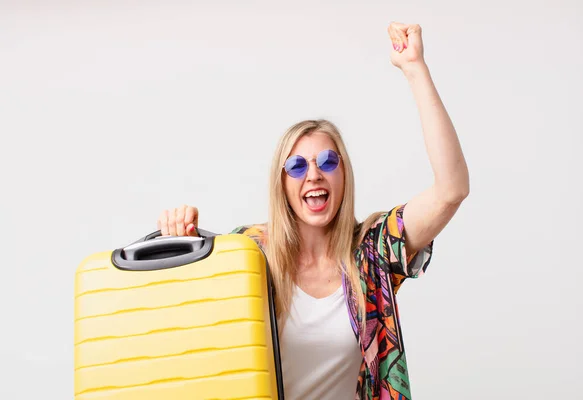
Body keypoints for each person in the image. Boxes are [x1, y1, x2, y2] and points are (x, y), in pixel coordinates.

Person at [157, 22, 469, 400]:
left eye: (327, 161)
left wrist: (415, 69)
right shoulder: (249, 253)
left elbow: (451, 191)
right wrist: (181, 241)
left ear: (343, 173)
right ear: (283, 184)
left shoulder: (371, 253)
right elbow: (189, 335)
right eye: (298, 166)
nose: (314, 175)